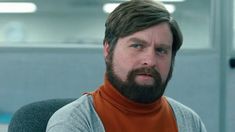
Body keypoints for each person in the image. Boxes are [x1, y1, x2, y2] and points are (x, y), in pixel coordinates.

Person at [46, 0, 207, 132]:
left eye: (161, 50)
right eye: (137, 46)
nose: (150, 61)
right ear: (108, 50)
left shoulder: (190, 122)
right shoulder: (73, 123)